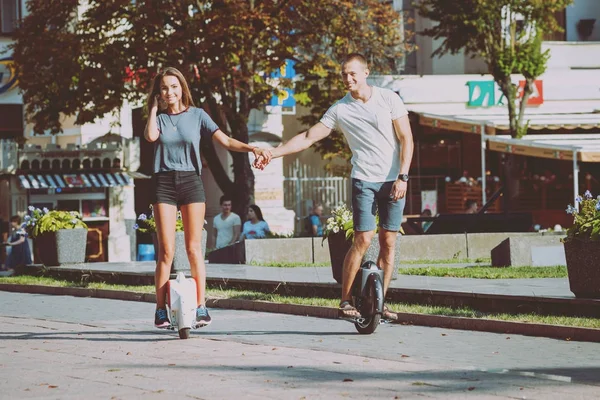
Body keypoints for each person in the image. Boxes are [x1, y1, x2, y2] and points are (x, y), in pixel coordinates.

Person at [255, 53, 414, 321]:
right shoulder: (340, 109)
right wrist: (274, 152)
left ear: (366, 72)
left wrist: (403, 177)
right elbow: (308, 137)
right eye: (343, 74)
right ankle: (345, 300)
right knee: (363, 238)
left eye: (352, 73)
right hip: (364, 179)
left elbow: (406, 138)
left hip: (394, 180)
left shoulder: (389, 99)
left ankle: (381, 302)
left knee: (389, 242)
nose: (347, 79)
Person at [144, 67, 271, 329]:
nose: (170, 92)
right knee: (166, 251)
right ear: (159, 93)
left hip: (191, 181)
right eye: (164, 88)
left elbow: (225, 141)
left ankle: (201, 307)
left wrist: (252, 148)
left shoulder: (198, 115)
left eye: (174, 86)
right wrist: (153, 109)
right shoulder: (158, 119)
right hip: (164, 183)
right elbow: (151, 137)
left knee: (194, 248)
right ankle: (160, 310)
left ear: (182, 88)